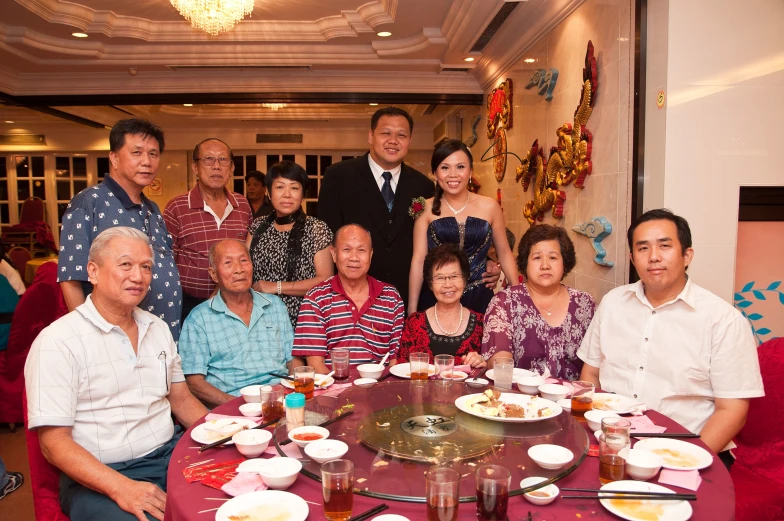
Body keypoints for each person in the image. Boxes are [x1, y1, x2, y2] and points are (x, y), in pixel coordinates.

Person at [25, 227, 208, 521]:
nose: (138, 276)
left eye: (146, 267)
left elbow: (182, 401)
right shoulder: (58, 341)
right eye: (126, 264)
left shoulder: (157, 328)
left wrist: (226, 433)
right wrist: (122, 488)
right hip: (100, 475)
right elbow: (53, 443)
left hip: (171, 455)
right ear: (93, 272)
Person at [577, 209, 764, 465]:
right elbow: (591, 374)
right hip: (610, 442)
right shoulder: (612, 303)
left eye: (664, 246)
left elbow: (732, 411)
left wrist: (685, 461)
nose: (653, 257)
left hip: (686, 449)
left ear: (687, 255)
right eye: (643, 249)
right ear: (632, 258)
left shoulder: (724, 320)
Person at [57, 118, 183, 340]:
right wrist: (89, 337)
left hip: (160, 334)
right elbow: (71, 278)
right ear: (114, 158)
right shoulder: (89, 202)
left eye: (153, 154)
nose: (147, 161)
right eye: (137, 152)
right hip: (112, 336)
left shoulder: (151, 208)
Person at [316, 107, 435, 304]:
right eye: (385, 133)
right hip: (350, 296)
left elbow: (434, 240)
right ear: (371, 136)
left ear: (410, 140)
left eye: (402, 135)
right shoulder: (338, 176)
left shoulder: (423, 185)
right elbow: (327, 237)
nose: (393, 141)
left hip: (406, 296)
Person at [179, 239, 294, 408]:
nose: (239, 270)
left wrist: (291, 391)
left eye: (243, 261)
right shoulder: (198, 318)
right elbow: (194, 381)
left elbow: (293, 358)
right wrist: (237, 405)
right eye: (228, 263)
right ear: (213, 274)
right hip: (231, 404)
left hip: (279, 399)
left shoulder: (275, 306)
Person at [409, 139, 518, 314]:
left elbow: (504, 252)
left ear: (470, 172)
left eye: (460, 167)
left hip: (480, 295)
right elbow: (419, 260)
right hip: (436, 295)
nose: (453, 174)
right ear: (435, 173)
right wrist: (412, 310)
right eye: (445, 167)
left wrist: (518, 296)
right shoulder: (425, 209)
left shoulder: (490, 206)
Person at [481, 224, 595, 380]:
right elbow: (499, 362)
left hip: (573, 400)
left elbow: (595, 365)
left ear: (565, 262)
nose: (545, 265)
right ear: (525, 263)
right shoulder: (505, 302)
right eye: (537, 258)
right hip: (521, 398)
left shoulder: (584, 303)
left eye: (553, 258)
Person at [291, 224, 404, 373]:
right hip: (333, 388)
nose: (354, 258)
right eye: (346, 249)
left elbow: (394, 360)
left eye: (361, 250)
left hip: (380, 387)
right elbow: (316, 365)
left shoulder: (391, 296)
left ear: (370, 255)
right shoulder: (316, 297)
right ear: (333, 254)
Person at [164, 138, 253, 321]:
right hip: (189, 305)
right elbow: (166, 261)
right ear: (195, 167)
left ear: (232, 168)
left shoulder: (242, 205)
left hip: (234, 303)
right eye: (208, 159)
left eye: (223, 160)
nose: (216, 166)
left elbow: (248, 253)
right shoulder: (177, 207)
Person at [247, 161, 334, 327]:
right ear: (269, 193)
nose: (287, 194)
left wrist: (276, 287)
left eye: (294, 188)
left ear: (303, 195)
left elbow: (325, 281)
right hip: (259, 317)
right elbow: (245, 268)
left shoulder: (317, 229)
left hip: (304, 318)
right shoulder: (257, 226)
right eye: (280, 187)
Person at [397, 244, 486, 369]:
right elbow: (402, 368)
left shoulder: (482, 324)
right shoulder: (414, 323)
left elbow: (488, 370)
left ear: (465, 280)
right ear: (430, 283)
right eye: (440, 278)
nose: (448, 284)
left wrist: (481, 362)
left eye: (454, 276)